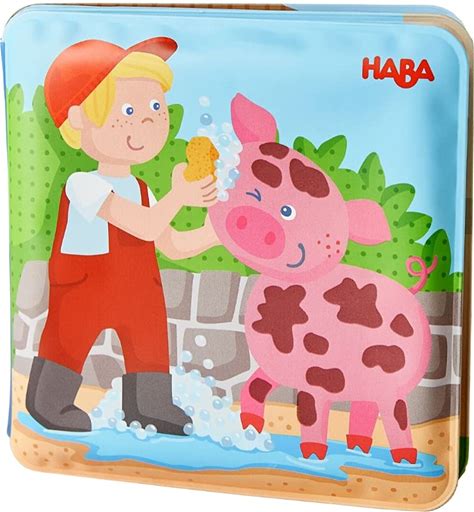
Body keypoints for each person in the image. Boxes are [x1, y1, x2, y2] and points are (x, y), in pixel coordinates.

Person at [25, 37, 220, 435]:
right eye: (128, 110)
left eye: (155, 109)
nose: (147, 122)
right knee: (69, 338)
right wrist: (179, 196)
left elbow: (173, 244)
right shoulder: (83, 184)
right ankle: (50, 400)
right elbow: (144, 226)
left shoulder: (143, 189)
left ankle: (150, 403)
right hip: (85, 288)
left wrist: (219, 233)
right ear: (79, 119)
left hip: (138, 292)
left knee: (148, 336)